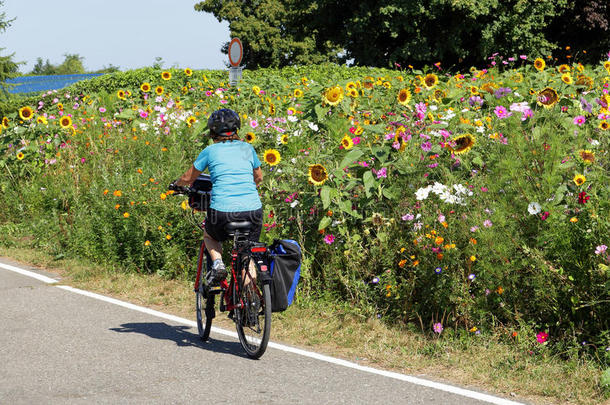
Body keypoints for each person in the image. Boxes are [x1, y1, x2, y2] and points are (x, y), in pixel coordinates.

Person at [173, 108, 263, 284]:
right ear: (237, 129)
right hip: (253, 211)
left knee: (210, 236)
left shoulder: (210, 151)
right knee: (248, 254)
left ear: (212, 131)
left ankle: (219, 264)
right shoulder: (247, 148)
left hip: (222, 212)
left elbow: (188, 178)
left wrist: (176, 185)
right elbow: (258, 177)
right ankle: (250, 300)